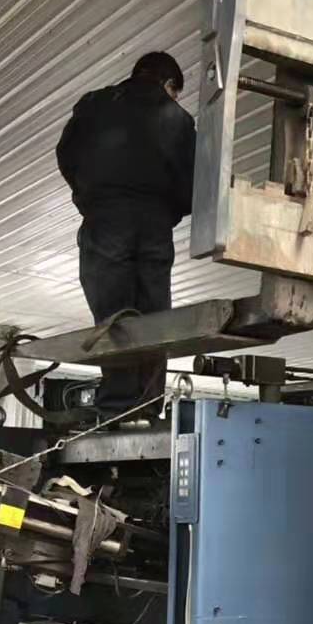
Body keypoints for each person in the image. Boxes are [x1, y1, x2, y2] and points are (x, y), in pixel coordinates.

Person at [56, 51, 195, 402]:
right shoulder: (179, 119)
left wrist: (90, 196)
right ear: (169, 84)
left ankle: (119, 402)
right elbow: (192, 181)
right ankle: (147, 402)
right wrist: (168, 211)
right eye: (175, 92)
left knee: (112, 310)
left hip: (106, 217)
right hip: (155, 225)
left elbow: (66, 155)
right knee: (154, 315)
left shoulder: (94, 105)